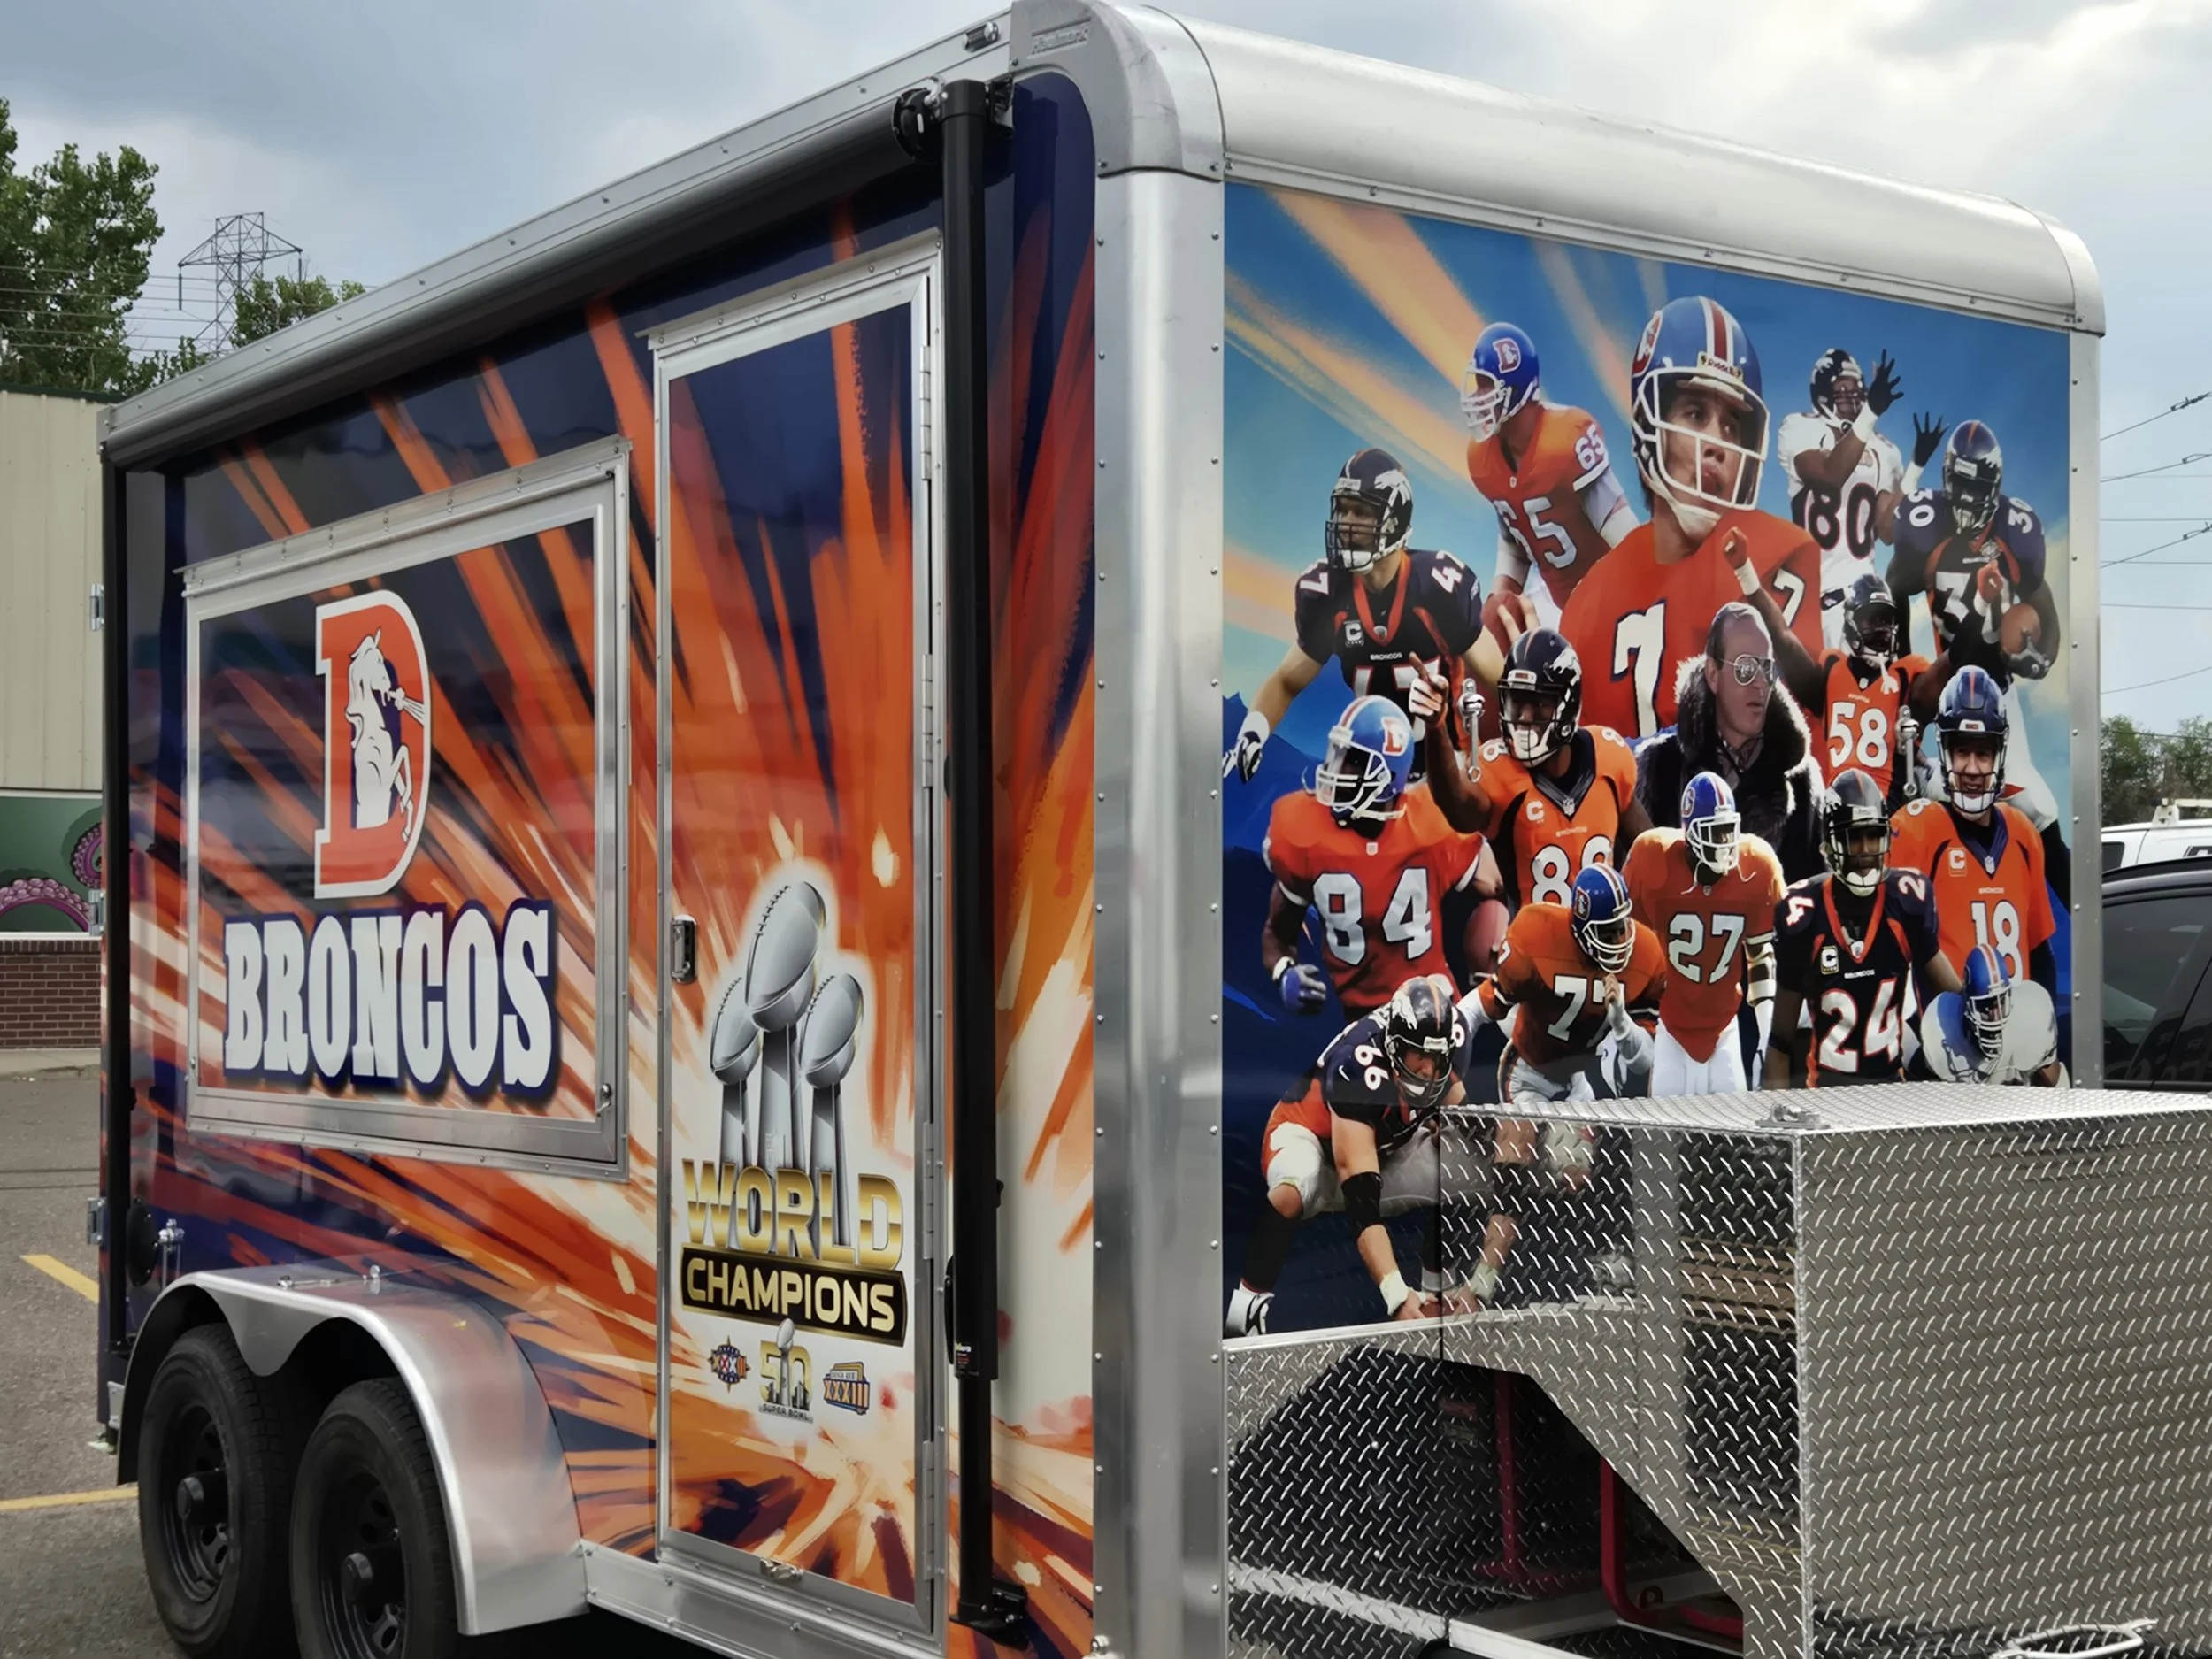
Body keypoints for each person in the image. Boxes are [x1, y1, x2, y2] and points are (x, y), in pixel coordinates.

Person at [1556, 295, 1824, 740]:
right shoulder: (1590, 601)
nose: (1718, 444)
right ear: (1649, 425)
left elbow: (1792, 749)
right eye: (1696, 413)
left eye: (1731, 426)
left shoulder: (1777, 555)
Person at [1225, 447, 1507, 783]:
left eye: (1360, 512)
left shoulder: (1438, 587)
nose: (1346, 523)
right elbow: (1287, 680)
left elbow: (1500, 681)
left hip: (1449, 769)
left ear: (1395, 520)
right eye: (1342, 510)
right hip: (1375, 774)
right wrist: (1254, 731)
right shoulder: (1326, 593)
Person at [1454, 864, 1666, 1305]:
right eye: (1608, 930)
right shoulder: (1538, 934)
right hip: (1528, 1072)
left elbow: (1643, 1062)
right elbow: (1489, 1001)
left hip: (1576, 1080)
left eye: (1624, 924)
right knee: (1516, 1159)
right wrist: (1455, 1031)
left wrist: (1622, 1022)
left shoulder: (1644, 952)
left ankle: (1570, 1267)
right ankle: (1484, 1281)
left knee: (1574, 1176)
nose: (1621, 937)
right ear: (1582, 927)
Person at [1224, 975, 1471, 1337]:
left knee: (1467, 1167)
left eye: (1437, 1057)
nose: (1427, 1070)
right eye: (1418, 1054)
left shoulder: (1446, 1046)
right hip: (1308, 1137)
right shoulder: (1358, 1064)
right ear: (1392, 1045)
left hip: (1383, 1148)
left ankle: (1437, 1295)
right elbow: (1361, 1202)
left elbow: (1470, 1121)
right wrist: (1396, 1295)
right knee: (1296, 1184)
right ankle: (1244, 1311)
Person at [1263, 696, 1504, 1021]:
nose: (1336, 769)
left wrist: (1494, 944)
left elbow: (1500, 886)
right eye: (1338, 755)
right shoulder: (1306, 833)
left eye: (1352, 760)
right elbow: (1277, 934)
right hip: (1360, 1021)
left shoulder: (1432, 823)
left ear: (1387, 774)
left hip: (1434, 1009)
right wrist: (1284, 972)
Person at [1887, 419, 2065, 854]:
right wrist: (1904, 674)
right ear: (1947, 479)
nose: (1968, 497)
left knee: (2029, 804)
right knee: (1909, 788)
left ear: (1996, 483)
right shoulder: (1925, 523)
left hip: (1997, 683)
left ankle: (2051, 900)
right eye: (1961, 484)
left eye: (1978, 484)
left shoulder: (2015, 530)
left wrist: (2041, 656)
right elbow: (1895, 590)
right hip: (1945, 678)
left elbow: (2043, 605)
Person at [1420, 629, 1650, 910]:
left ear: (1568, 703)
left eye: (1539, 703)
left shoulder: (1608, 758)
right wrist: (1436, 727)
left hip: (1607, 943)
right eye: (1517, 702)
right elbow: (1457, 807)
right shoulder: (1498, 769)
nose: (1525, 717)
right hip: (1535, 948)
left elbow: (1647, 851)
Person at [1768, 769, 1961, 1086]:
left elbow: (1954, 1001)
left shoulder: (1906, 900)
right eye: (1853, 837)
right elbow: (1780, 1042)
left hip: (1890, 1093)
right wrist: (1776, 1123)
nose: (1866, 849)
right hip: (1827, 1096)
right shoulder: (1803, 914)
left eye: (1873, 835)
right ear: (1829, 842)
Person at [1887, 666, 2058, 1000]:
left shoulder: (2023, 833)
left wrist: (2043, 1034)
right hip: (1945, 1038)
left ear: (2000, 755)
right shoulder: (1916, 829)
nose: (1972, 768)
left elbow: (2040, 954)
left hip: (2015, 1040)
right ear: (1945, 752)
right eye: (1962, 751)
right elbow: (1891, 955)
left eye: (1983, 752)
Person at [1462, 321, 1638, 629]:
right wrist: (1499, 602)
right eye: (1477, 384)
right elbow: (1514, 541)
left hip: (1612, 599)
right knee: (1496, 617)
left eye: (1487, 385)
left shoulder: (1565, 441)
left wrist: (1646, 590)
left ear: (1515, 389)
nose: (1479, 396)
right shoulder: (1482, 458)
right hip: (1557, 604)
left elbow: (1623, 533)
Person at [1632, 603, 1824, 881]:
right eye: (1745, 669)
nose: (1760, 683)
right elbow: (1636, 885)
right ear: (1713, 674)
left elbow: (1819, 895)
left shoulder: (1803, 781)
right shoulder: (1658, 767)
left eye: (1767, 670)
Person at [1623, 772, 1786, 1094]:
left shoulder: (1757, 866)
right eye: (1715, 832)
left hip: (1725, 1028)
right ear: (1690, 833)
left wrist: (1767, 1037)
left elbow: (1761, 955)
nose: (1725, 843)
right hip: (1671, 1028)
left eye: (1729, 831)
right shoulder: (1652, 857)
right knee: (1664, 1138)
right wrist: (1621, 1024)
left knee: (1731, 1137)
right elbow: (1628, 946)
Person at [1776, 348, 1943, 644]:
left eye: (1858, 391)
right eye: (1842, 390)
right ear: (1823, 392)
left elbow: (1887, 531)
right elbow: (1830, 475)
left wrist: (1915, 467)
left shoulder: (1884, 450)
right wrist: (1870, 415)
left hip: (1862, 597)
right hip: (1810, 598)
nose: (1851, 398)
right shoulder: (1800, 427)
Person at [1809, 574, 1930, 803]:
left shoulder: (1906, 672)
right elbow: (1786, 646)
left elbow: (1951, 671)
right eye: (1871, 619)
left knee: (1933, 780)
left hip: (1888, 813)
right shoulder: (1833, 667)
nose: (1881, 628)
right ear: (1851, 622)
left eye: (1885, 620)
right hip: (1839, 808)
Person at [1909, 943, 2064, 1087]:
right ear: (1967, 1005)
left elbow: (2052, 1083)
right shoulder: (1943, 1035)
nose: (1995, 1015)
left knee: (2063, 1082)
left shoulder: (2030, 1022)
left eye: (2000, 1002)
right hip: (1968, 1111)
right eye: (1986, 1005)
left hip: (2018, 1108)